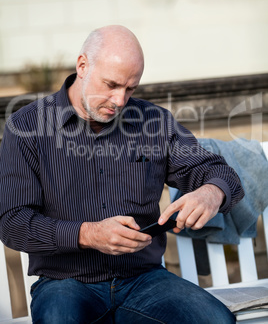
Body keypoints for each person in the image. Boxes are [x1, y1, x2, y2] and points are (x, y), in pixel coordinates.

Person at [0, 25, 244, 323]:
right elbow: (13, 223)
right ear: (82, 66)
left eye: (130, 89)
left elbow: (219, 172)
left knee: (216, 320)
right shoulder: (26, 127)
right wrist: (88, 234)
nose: (119, 100)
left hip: (145, 280)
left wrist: (210, 193)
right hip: (65, 282)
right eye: (111, 84)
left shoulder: (153, 121)